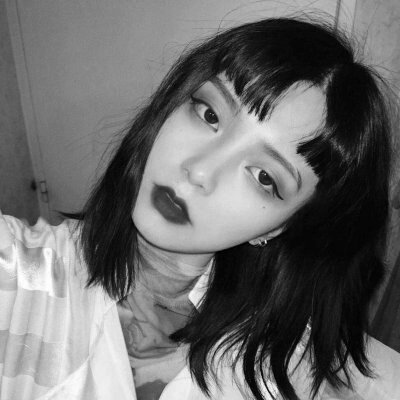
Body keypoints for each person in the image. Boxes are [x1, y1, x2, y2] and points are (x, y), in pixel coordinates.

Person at [0, 16, 399, 400]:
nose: (199, 171)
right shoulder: (18, 272)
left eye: (264, 176)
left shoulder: (279, 365)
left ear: (279, 227)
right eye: (210, 114)